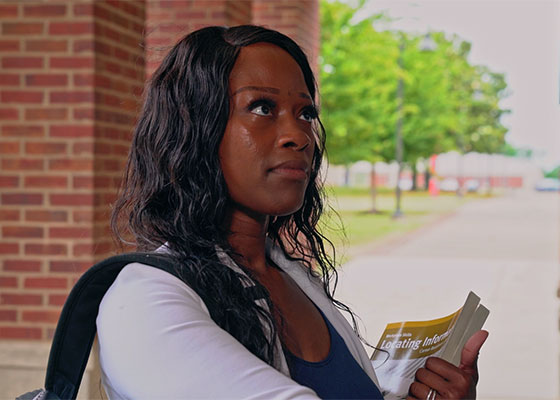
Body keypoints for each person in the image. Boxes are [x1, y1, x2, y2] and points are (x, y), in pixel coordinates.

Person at [98, 25, 487, 399]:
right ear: (194, 129)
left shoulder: (294, 277)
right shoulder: (145, 301)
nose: (299, 136)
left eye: (305, 114)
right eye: (262, 107)